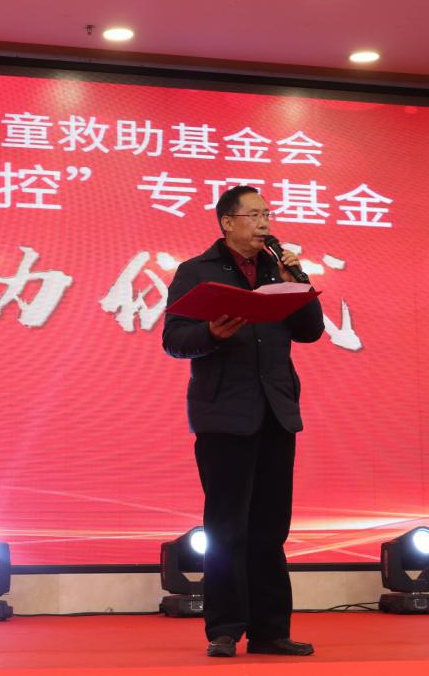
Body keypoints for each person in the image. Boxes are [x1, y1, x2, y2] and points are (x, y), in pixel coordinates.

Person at [162, 185, 324, 658]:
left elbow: (311, 331)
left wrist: (299, 280)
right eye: (253, 215)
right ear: (227, 222)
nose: (264, 223)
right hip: (224, 415)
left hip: (276, 412)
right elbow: (174, 340)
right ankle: (225, 629)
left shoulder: (278, 269)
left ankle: (270, 630)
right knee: (226, 526)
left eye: (267, 213)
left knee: (271, 528)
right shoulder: (197, 272)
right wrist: (211, 332)